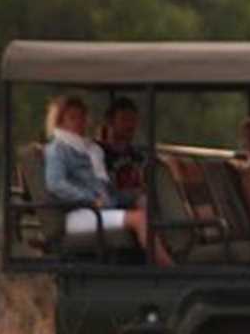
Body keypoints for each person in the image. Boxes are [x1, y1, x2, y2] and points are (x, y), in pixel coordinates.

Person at [42, 95, 172, 266]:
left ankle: (169, 252)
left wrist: (133, 196)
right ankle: (167, 267)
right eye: (72, 118)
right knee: (139, 218)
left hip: (99, 208)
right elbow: (56, 184)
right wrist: (90, 199)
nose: (79, 122)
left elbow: (106, 191)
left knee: (146, 204)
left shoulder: (89, 149)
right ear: (59, 121)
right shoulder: (58, 149)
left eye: (82, 117)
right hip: (79, 212)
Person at [98, 97, 145, 202]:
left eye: (133, 120)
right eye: (124, 119)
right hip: (112, 208)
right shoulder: (98, 153)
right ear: (110, 121)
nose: (130, 125)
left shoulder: (137, 156)